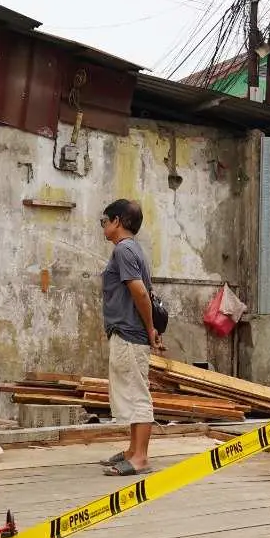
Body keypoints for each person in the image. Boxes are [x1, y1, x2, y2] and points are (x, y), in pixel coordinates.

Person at [98, 199, 164, 477]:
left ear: (118, 221)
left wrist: (150, 330)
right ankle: (132, 451)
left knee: (137, 393)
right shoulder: (131, 250)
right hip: (128, 331)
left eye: (105, 220)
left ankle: (141, 458)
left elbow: (139, 293)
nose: (103, 226)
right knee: (130, 391)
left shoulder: (124, 251)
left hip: (129, 332)